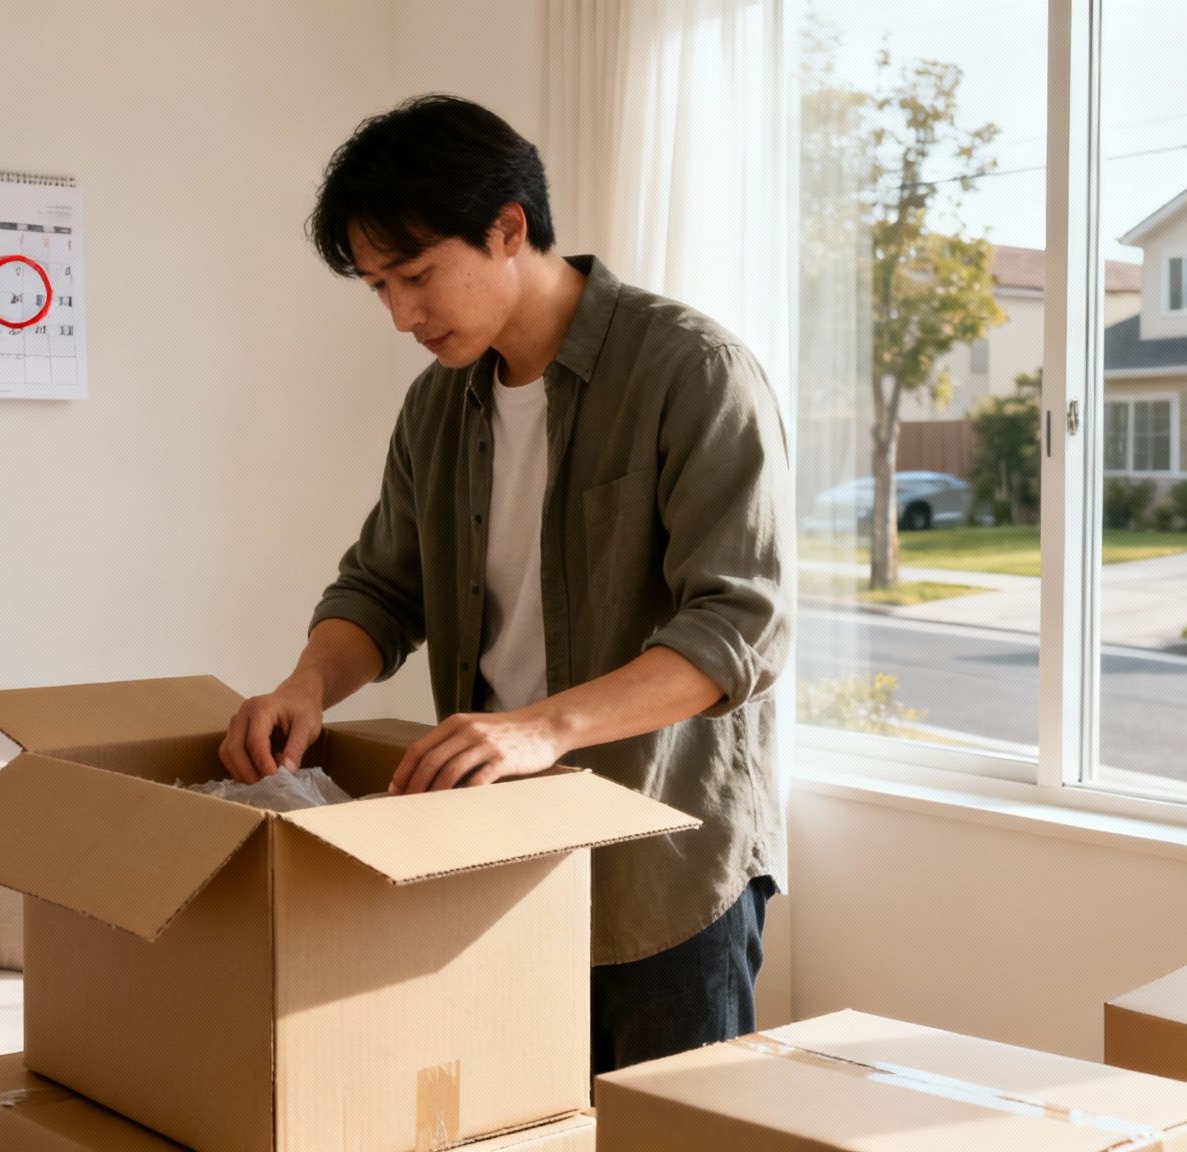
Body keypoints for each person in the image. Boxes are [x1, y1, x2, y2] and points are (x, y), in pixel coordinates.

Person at [217, 94, 792, 1075]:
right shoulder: (436, 409)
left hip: (660, 874)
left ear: (508, 229)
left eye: (415, 276)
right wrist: (306, 684)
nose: (400, 315)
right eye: (377, 289)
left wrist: (539, 729)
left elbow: (739, 627)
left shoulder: (689, 371)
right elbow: (381, 589)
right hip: (493, 864)